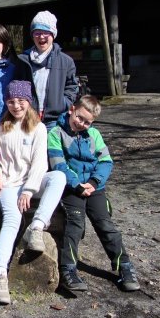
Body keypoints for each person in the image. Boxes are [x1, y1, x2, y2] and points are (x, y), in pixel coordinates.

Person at [49, 95, 140, 292]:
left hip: (94, 187)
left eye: (87, 122)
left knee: (105, 225)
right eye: (79, 118)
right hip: (71, 187)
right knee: (74, 224)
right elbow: (58, 164)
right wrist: (77, 184)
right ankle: (69, 269)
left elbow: (106, 161)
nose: (81, 123)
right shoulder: (56, 133)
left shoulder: (94, 135)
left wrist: (93, 182)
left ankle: (124, 266)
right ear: (72, 109)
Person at [0, 81, 66, 304]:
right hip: (9, 184)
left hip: (31, 182)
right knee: (12, 218)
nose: (16, 105)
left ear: (28, 102)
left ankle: (37, 226)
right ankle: (0, 273)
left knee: (58, 177)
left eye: (20, 101)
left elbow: (40, 164)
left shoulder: (39, 128)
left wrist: (29, 190)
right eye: (11, 101)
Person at [16, 10, 78, 129]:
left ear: (53, 34)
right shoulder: (22, 60)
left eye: (46, 32)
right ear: (32, 35)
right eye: (37, 33)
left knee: (52, 148)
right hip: (28, 117)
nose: (41, 37)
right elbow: (15, 85)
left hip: (55, 120)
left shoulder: (66, 61)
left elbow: (71, 87)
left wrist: (64, 103)